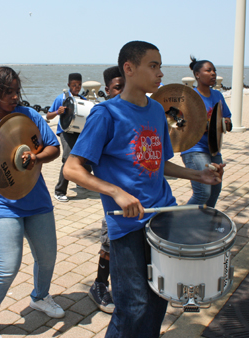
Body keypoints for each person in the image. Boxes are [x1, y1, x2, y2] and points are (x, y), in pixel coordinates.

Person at [63, 41, 224, 337]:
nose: (160, 73)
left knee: (159, 297)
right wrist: (116, 192)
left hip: (162, 216)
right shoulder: (106, 114)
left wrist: (197, 175)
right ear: (129, 69)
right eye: (153, 66)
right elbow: (72, 169)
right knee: (132, 305)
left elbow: (159, 162)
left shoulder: (156, 111)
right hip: (127, 225)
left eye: (160, 66)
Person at [0, 67, 64, 338]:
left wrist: (37, 157)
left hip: (38, 201)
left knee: (47, 257)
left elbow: (54, 147)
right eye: (8, 92)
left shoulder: (28, 117)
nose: (15, 97)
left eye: (17, 91)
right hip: (1, 206)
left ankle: (40, 297)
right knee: (8, 266)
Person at [88, 66, 124, 314]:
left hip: (141, 196)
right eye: (117, 88)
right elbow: (79, 165)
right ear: (107, 91)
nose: (122, 92)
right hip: (115, 199)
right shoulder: (103, 115)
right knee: (109, 243)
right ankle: (99, 284)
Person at [181, 57, 232, 207]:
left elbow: (227, 119)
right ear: (197, 74)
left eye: (214, 70)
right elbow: (181, 124)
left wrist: (226, 123)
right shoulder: (190, 97)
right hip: (194, 149)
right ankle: (178, 222)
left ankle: (204, 223)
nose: (213, 73)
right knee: (203, 193)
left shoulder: (218, 96)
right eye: (208, 70)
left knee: (215, 189)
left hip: (214, 149)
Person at [46, 73, 91, 202]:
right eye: (74, 85)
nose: (77, 88)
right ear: (68, 85)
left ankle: (80, 181)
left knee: (84, 156)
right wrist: (57, 112)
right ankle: (59, 191)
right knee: (67, 159)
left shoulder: (83, 100)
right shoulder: (61, 99)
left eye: (79, 85)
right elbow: (48, 116)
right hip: (65, 132)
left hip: (79, 132)